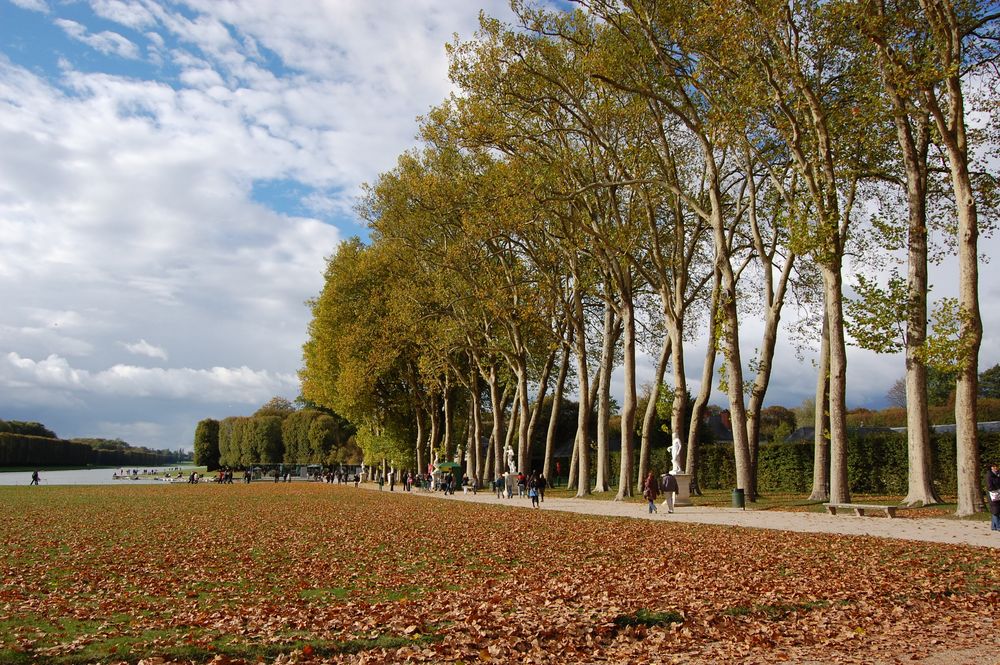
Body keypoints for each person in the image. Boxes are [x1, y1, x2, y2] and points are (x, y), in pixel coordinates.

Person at [987, 461, 1000, 532]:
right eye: (993, 466)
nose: (995, 468)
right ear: (991, 468)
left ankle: (994, 526)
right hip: (992, 495)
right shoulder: (989, 475)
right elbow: (989, 487)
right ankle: (998, 526)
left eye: (996, 466)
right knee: (995, 510)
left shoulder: (998, 474)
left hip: (998, 494)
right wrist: (997, 489)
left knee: (996, 509)